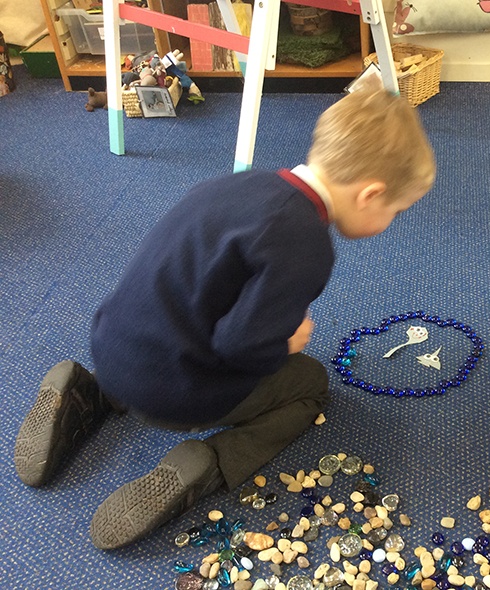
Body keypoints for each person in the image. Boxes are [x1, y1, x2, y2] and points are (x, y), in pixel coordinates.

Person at [13, 86, 435, 550]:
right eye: (397, 211)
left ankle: (88, 391)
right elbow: (241, 346)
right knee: (310, 384)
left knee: (170, 328)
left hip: (112, 343)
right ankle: (211, 461)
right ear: (370, 193)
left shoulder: (242, 185)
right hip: (171, 394)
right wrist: (286, 343)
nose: (392, 221)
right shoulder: (306, 248)